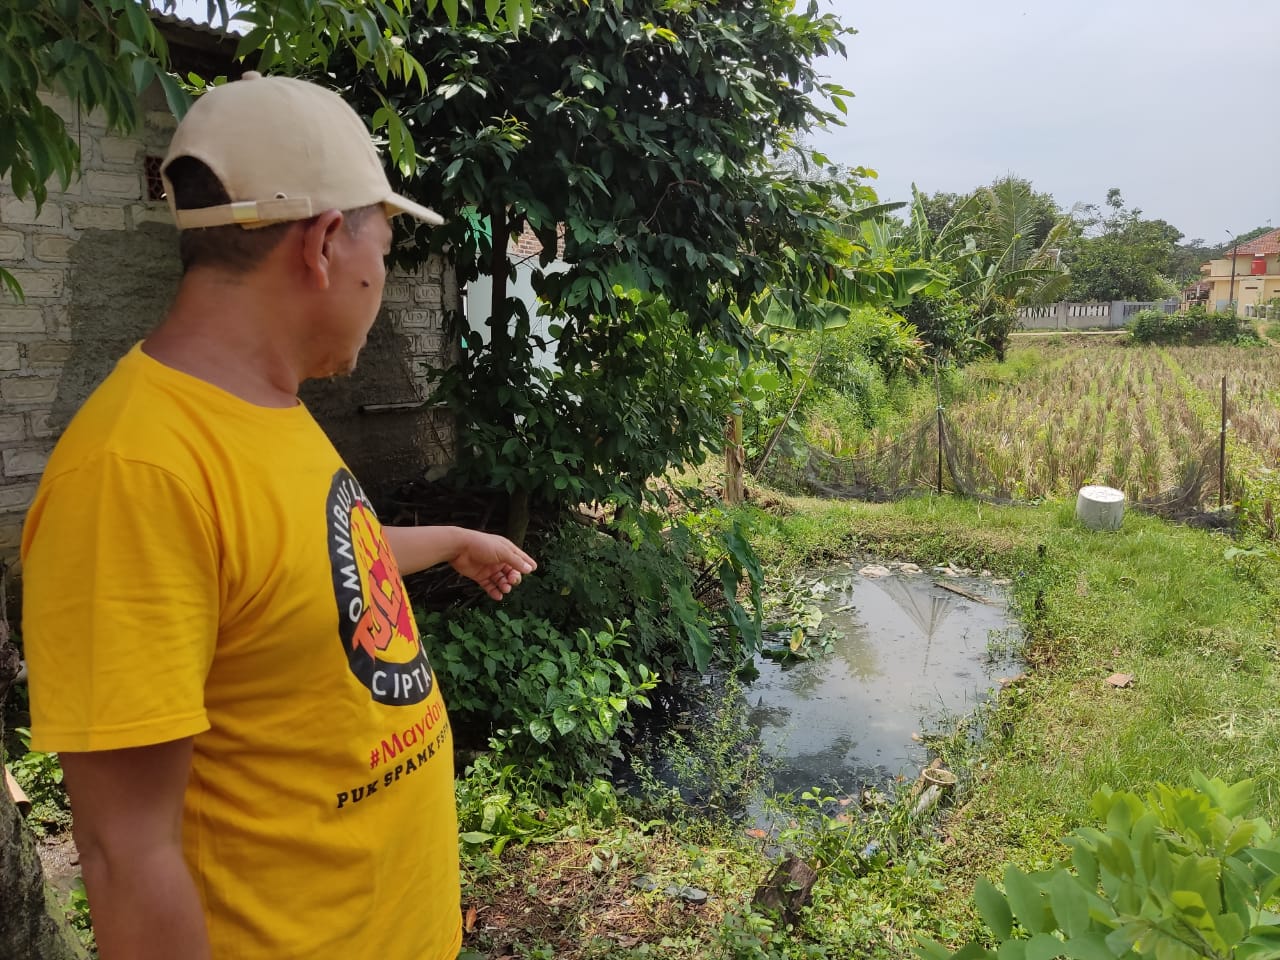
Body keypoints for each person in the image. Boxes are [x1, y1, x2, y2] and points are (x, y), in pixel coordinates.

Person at [20, 72, 535, 960]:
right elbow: (123, 855)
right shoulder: (133, 473)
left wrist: (453, 540)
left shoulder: (266, 407)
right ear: (326, 243)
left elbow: (307, 571)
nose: (383, 274)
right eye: (386, 241)